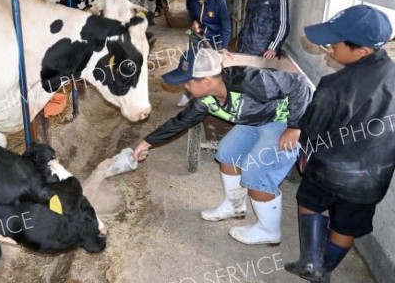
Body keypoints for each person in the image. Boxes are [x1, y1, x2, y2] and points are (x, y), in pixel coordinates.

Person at [133, 47, 313, 245]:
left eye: (188, 81)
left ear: (208, 80)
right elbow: (180, 122)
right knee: (227, 153)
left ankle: (269, 230)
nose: (185, 86)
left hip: (284, 122)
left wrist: (295, 127)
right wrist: (146, 142)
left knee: (255, 173)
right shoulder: (204, 100)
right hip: (256, 121)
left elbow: (299, 85)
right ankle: (234, 206)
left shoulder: (250, 80)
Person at [285, 5, 395, 283]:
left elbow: (311, 130)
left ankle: (311, 261)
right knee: (347, 225)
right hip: (371, 181)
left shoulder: (333, 85)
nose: (330, 48)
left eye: (335, 43)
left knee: (309, 202)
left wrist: (303, 150)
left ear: (362, 50)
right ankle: (324, 271)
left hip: (328, 170)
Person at [177, 0, 231, 107]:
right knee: (191, 66)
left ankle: (212, 99)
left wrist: (223, 47)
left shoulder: (220, 1)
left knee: (211, 71)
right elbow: (190, 11)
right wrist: (193, 21)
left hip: (214, 40)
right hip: (197, 36)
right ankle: (188, 94)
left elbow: (226, 26)